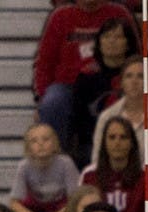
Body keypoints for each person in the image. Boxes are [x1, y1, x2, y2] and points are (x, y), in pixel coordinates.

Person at [32, 0, 136, 149]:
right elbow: (44, 64)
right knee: (53, 102)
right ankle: (58, 158)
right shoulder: (60, 16)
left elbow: (135, 55)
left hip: (109, 82)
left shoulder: (119, 13)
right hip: (68, 86)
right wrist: (41, 100)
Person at [70, 16, 139, 166]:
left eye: (118, 37)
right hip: (94, 141)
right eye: (107, 36)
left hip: (133, 138)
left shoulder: (137, 74)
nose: (111, 41)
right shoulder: (86, 76)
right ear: (99, 42)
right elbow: (80, 120)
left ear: (128, 44)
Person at [93, 56, 148, 172]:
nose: (134, 81)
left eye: (141, 76)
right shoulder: (107, 116)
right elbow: (98, 161)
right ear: (121, 83)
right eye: (129, 76)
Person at [80, 116, 148, 212]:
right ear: (104, 142)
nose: (117, 142)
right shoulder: (88, 175)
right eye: (112, 137)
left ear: (132, 143)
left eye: (123, 137)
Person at [7, 123, 80, 212]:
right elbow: (14, 204)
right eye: (34, 141)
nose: (40, 144)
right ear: (28, 148)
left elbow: (75, 201)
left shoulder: (66, 163)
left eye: (46, 139)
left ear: (55, 144)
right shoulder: (24, 166)